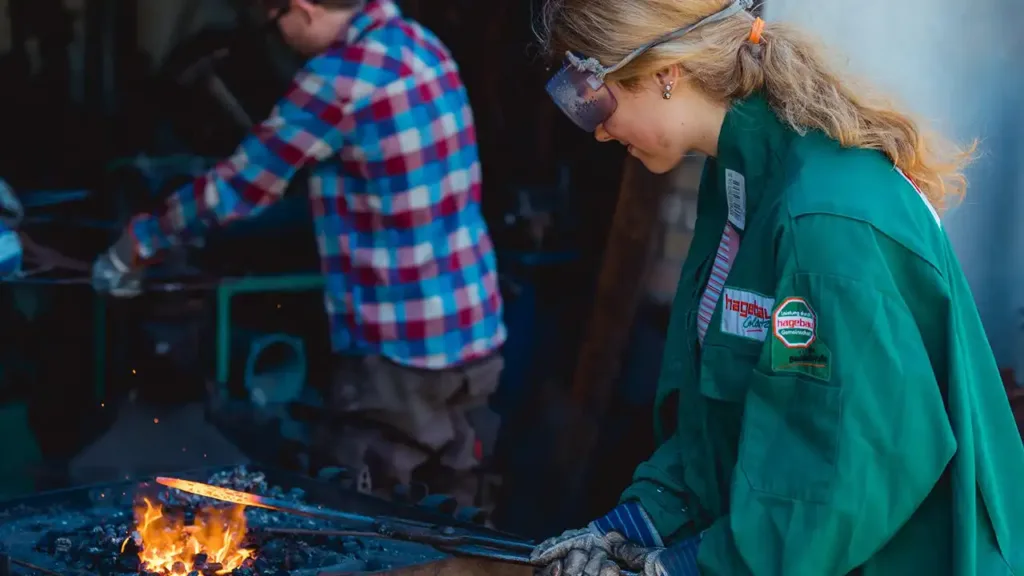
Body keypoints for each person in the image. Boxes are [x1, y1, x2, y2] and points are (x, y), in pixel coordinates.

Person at [530, 0, 1024, 574]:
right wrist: (635, 524)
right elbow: (720, 417)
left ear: (666, 72)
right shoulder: (741, 177)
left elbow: (844, 475)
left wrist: (697, 567)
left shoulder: (826, 216)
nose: (597, 131)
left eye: (591, 98)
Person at [92, 0, 506, 506]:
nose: (279, 36)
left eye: (276, 22)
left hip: (400, 353)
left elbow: (241, 185)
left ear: (303, 8)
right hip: (474, 331)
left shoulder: (338, 77)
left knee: (366, 516)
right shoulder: (421, 46)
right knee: (457, 507)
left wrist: (139, 242)